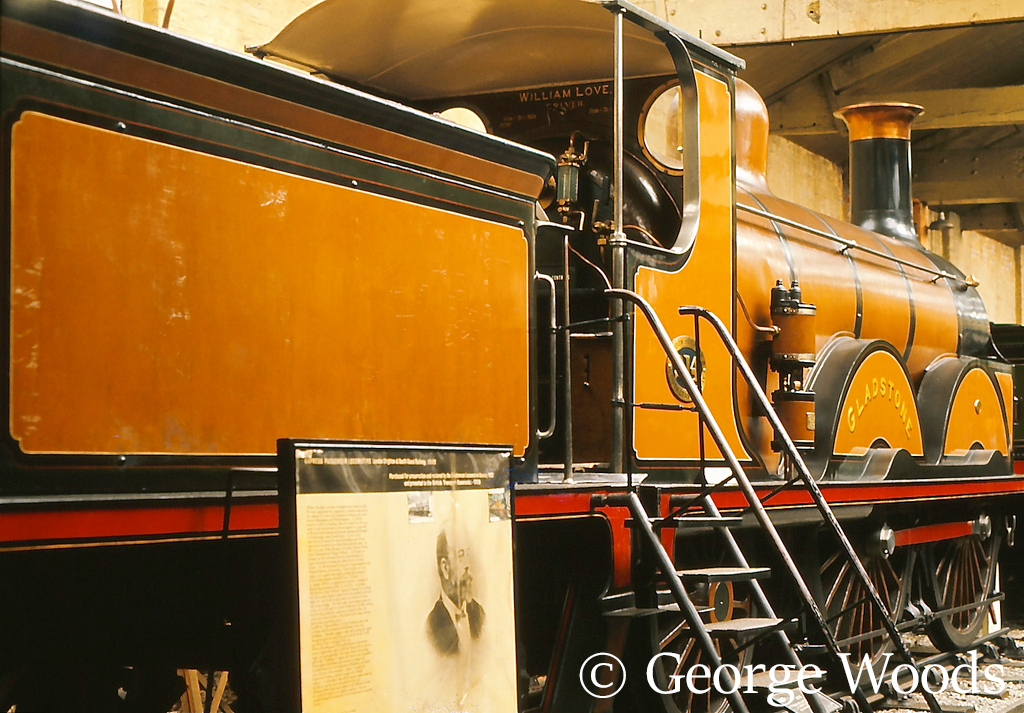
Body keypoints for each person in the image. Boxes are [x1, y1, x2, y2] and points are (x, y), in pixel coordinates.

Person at [426, 529, 485, 656]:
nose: (467, 565)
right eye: (461, 556)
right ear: (445, 568)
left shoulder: (479, 614)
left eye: (468, 555)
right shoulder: (432, 626)